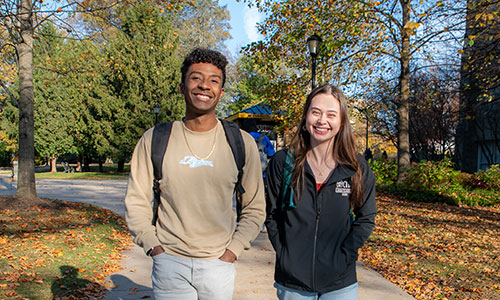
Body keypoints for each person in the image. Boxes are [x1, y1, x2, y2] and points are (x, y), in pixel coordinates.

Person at [124, 48, 266, 300]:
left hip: (218, 264)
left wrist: (232, 251)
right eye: (196, 78)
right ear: (181, 86)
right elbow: (136, 200)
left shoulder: (241, 142)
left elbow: (254, 207)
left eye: (214, 80)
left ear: (221, 92)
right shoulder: (155, 139)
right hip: (170, 262)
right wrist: (154, 247)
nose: (204, 86)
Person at [265, 84, 377, 299]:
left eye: (331, 114)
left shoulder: (355, 167)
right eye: (315, 112)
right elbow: (271, 215)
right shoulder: (283, 163)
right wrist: (285, 253)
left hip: (340, 284)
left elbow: (367, 217)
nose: (322, 120)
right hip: (293, 283)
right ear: (306, 117)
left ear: (341, 121)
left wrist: (345, 255)